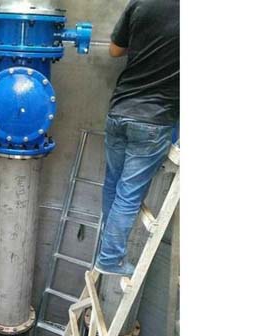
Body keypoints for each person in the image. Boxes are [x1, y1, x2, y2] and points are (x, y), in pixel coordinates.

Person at [94, 0, 180, 276]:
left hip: (120, 111)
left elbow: (114, 50)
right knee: (129, 195)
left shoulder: (141, 3)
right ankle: (110, 258)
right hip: (154, 119)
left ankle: (107, 249)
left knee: (113, 184)